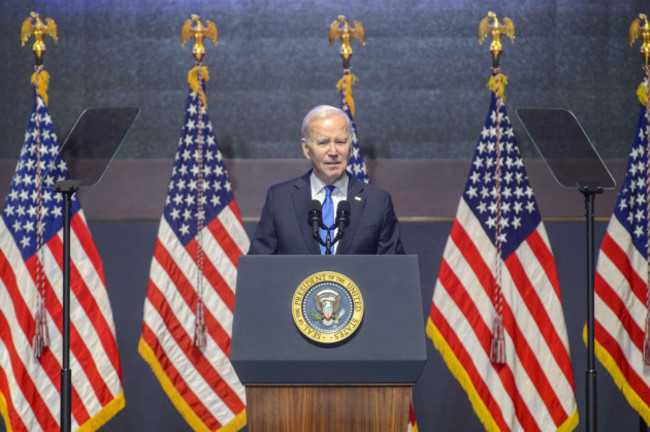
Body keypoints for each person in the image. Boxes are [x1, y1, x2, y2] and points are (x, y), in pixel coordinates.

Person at [248, 105, 405, 255]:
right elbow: (259, 267)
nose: (333, 151)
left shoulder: (377, 202)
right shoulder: (280, 199)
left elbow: (395, 271)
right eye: (323, 142)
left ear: (350, 146)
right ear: (306, 148)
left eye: (340, 142)